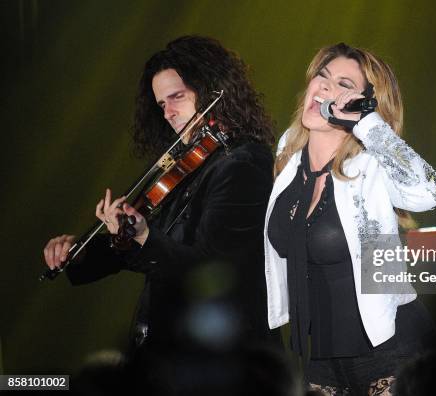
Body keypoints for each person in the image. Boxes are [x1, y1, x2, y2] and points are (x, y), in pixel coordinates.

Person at [43, 35, 279, 353]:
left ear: (210, 90)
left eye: (177, 97)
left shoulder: (244, 162)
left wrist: (142, 236)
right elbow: (147, 249)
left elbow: (215, 274)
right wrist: (79, 252)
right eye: (161, 104)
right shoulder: (188, 166)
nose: (168, 112)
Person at [265, 43, 436, 395]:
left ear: (364, 104)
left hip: (391, 350)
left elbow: (430, 193)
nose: (326, 89)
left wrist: (369, 125)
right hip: (318, 357)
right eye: (323, 77)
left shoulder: (370, 166)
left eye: (345, 85)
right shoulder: (288, 155)